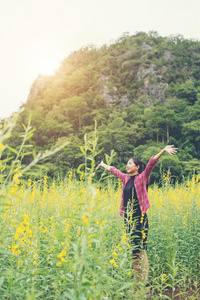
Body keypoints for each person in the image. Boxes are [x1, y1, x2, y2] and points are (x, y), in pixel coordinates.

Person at [96, 145, 177, 287]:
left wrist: (163, 151)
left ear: (137, 167)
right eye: (127, 164)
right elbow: (114, 170)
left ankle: (144, 283)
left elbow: (151, 163)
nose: (127, 166)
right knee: (133, 250)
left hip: (139, 219)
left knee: (142, 249)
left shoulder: (142, 178)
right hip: (128, 220)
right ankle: (137, 281)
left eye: (130, 163)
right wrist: (103, 164)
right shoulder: (126, 178)